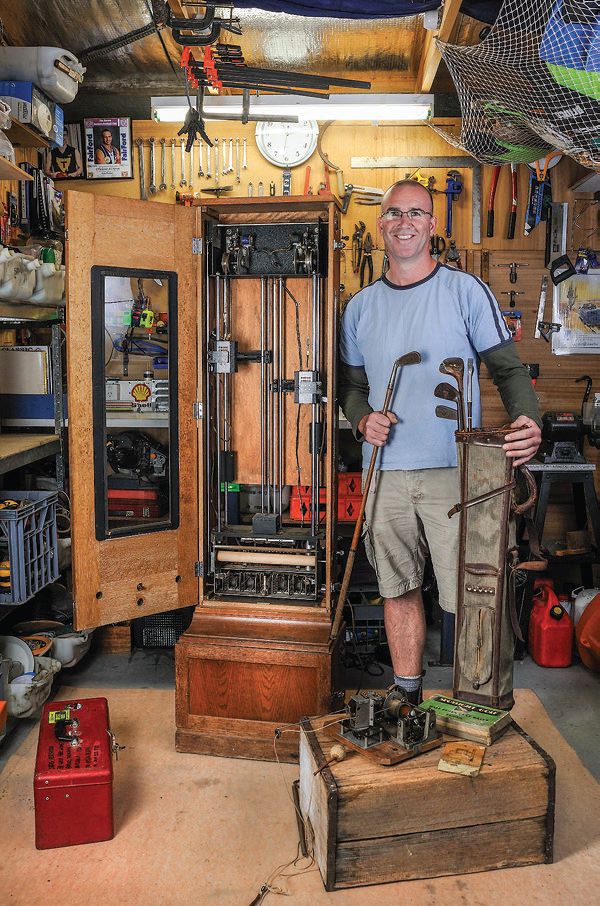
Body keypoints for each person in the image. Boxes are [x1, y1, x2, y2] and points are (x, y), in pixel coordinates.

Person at [338, 179, 542, 704]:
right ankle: (407, 693)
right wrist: (362, 421)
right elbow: (354, 388)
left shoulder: (464, 291)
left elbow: (509, 370)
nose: (404, 222)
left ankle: (481, 703)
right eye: (393, 214)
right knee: (397, 587)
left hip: (458, 473)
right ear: (381, 225)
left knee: (474, 593)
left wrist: (527, 420)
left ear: (432, 225)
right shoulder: (359, 308)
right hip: (384, 472)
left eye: (415, 214)